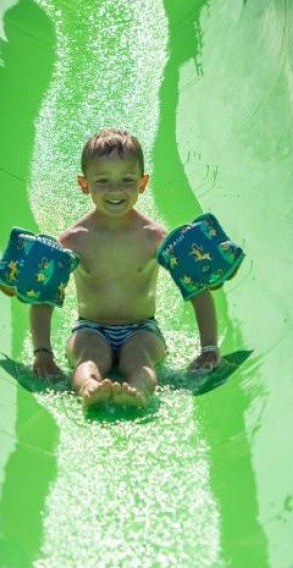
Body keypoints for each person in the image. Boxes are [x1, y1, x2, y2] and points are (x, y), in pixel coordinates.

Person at [29, 128, 222, 408]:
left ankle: (138, 391)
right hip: (90, 327)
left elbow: (198, 290)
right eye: (103, 181)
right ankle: (89, 388)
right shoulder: (74, 240)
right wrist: (43, 354)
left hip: (142, 328)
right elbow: (43, 298)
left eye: (127, 180)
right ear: (84, 184)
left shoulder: (154, 237)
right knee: (88, 358)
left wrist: (209, 348)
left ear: (143, 183)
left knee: (139, 359)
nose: (115, 190)